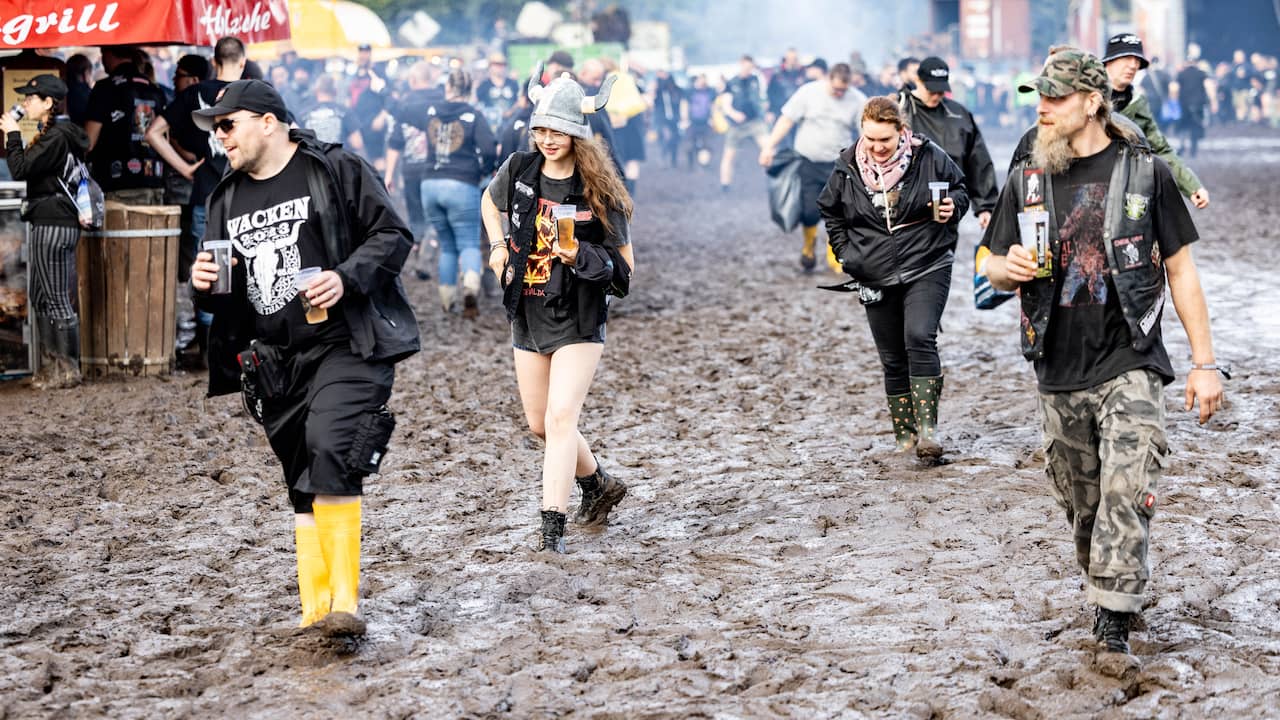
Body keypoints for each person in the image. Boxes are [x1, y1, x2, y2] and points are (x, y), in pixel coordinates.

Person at [979, 48, 1223, 654]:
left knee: (1127, 486)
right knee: (1082, 501)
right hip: (1057, 365)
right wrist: (1003, 270)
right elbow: (987, 259)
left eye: (1056, 99)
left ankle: (1114, 613)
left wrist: (1204, 363)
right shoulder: (1026, 177)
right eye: (1039, 98)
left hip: (1130, 356)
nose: (1044, 109)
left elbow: (1181, 270)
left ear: (1092, 102)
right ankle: (1107, 582)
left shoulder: (1146, 173)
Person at [188, 79, 420, 636]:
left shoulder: (334, 168)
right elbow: (227, 291)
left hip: (347, 344)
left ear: (268, 121)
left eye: (227, 124)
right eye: (215, 129)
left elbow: (393, 235)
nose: (220, 137)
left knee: (331, 449)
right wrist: (202, 286)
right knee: (300, 479)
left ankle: (346, 604)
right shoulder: (224, 196)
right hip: (273, 359)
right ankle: (315, 611)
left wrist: (345, 277)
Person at [479, 72, 634, 553]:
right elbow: (488, 200)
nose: (547, 140)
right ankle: (598, 485)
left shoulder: (599, 191)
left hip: (580, 316)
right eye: (541, 130)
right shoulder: (520, 168)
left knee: (562, 416)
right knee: (540, 424)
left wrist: (579, 258)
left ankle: (552, 529)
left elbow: (625, 272)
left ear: (577, 134)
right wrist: (499, 245)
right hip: (526, 309)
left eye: (558, 131)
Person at [818, 96, 968, 458]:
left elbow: (961, 189)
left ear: (901, 131)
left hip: (927, 262)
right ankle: (904, 435)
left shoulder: (929, 157)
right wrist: (846, 255)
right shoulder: (847, 166)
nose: (877, 148)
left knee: (919, 335)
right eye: (870, 139)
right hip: (872, 270)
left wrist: (954, 207)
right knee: (891, 356)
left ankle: (928, 431)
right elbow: (830, 210)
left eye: (885, 139)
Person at [145, 36, 246, 366]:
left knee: (209, 270)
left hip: (207, 194)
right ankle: (243, 345)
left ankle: (208, 350)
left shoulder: (193, 94)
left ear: (214, 63)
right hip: (249, 195)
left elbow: (152, 133)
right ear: (242, 62)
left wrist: (185, 168)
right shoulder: (255, 94)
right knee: (251, 265)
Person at [1, 75, 89, 390]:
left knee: (55, 299)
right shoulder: (54, 134)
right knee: (40, 297)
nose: (25, 103)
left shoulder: (57, 136)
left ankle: (67, 371)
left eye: (30, 97)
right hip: (48, 220)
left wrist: (12, 135)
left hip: (55, 222)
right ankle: (53, 367)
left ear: (48, 102)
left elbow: (20, 169)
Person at [759, 63, 867, 273]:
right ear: (828, 79)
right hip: (808, 161)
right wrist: (769, 147)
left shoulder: (857, 100)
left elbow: (865, 132)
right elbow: (786, 120)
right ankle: (808, 247)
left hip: (838, 165)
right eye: (835, 89)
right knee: (809, 210)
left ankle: (834, 256)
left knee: (838, 212)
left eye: (843, 90)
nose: (839, 94)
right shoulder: (808, 92)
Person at [409, 68, 497, 317]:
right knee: (468, 242)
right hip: (462, 183)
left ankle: (447, 300)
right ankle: (470, 285)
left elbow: (405, 115)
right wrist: (484, 171)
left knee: (447, 245)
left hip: (430, 184)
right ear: (469, 91)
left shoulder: (431, 112)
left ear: (447, 88)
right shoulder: (474, 115)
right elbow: (489, 149)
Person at [1101, 33, 1210, 209]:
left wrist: (1192, 187)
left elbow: (1161, 149)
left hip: (1125, 188)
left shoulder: (1137, 103)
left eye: (1137, 60)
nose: (1133, 65)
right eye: (1127, 58)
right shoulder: (1086, 97)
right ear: (1108, 61)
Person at [898, 57, 999, 229]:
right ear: (918, 81)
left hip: (947, 206)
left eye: (941, 91)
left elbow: (978, 160)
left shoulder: (959, 115)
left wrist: (985, 207)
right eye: (932, 91)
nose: (937, 96)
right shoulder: (901, 109)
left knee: (945, 255)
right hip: (907, 209)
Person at [85, 45, 168, 204]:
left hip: (118, 184)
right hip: (155, 180)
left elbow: (88, 142)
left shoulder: (105, 88)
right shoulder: (156, 90)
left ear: (108, 54)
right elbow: (167, 139)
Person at [718, 55, 768, 191]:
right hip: (736, 126)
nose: (749, 69)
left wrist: (764, 110)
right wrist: (735, 114)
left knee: (768, 149)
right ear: (741, 64)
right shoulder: (732, 83)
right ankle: (725, 185)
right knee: (729, 156)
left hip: (755, 122)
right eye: (746, 66)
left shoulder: (756, 80)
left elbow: (762, 97)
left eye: (751, 67)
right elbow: (725, 105)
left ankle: (772, 180)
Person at [475, 53, 520, 139]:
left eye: (502, 65)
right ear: (490, 66)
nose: (500, 67)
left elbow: (519, 101)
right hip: (490, 127)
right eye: (496, 64)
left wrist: (510, 112)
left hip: (510, 126)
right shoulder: (484, 85)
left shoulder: (513, 84)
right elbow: (477, 104)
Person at [1174, 57, 1211, 158]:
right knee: (1195, 126)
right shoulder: (1201, 73)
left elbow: (1175, 88)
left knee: (1183, 126)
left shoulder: (1181, 74)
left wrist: (1175, 101)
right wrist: (1212, 101)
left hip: (1184, 104)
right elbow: (1208, 86)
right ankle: (1193, 150)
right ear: (1196, 63)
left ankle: (1182, 145)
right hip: (1198, 104)